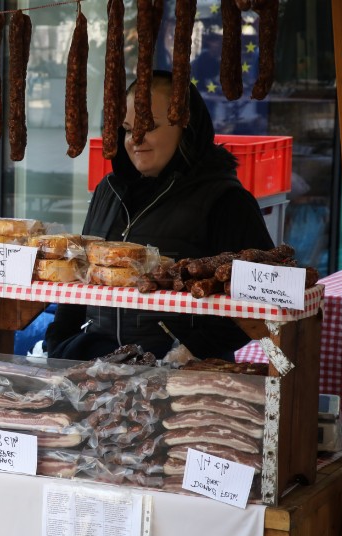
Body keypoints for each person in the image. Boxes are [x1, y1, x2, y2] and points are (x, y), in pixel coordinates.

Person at [45, 70, 274, 361]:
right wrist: (58, 341)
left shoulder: (226, 200)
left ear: (186, 126)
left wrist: (188, 353)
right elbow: (81, 271)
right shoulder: (109, 191)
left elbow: (261, 299)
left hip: (178, 380)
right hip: (96, 368)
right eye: (128, 129)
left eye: (148, 126)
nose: (134, 140)